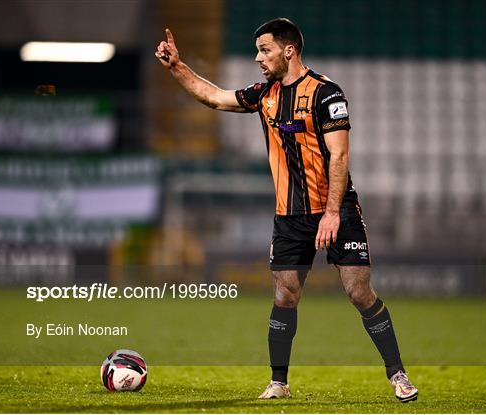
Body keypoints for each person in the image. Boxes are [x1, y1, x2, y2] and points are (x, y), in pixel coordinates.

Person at [155, 17, 418, 403]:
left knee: (359, 293)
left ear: (288, 50)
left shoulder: (327, 94)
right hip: (290, 216)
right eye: (258, 51)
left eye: (265, 50)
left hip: (337, 210)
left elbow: (340, 154)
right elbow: (213, 96)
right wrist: (178, 67)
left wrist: (331, 214)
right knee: (285, 294)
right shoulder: (264, 94)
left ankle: (397, 374)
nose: (258, 58)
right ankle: (279, 382)